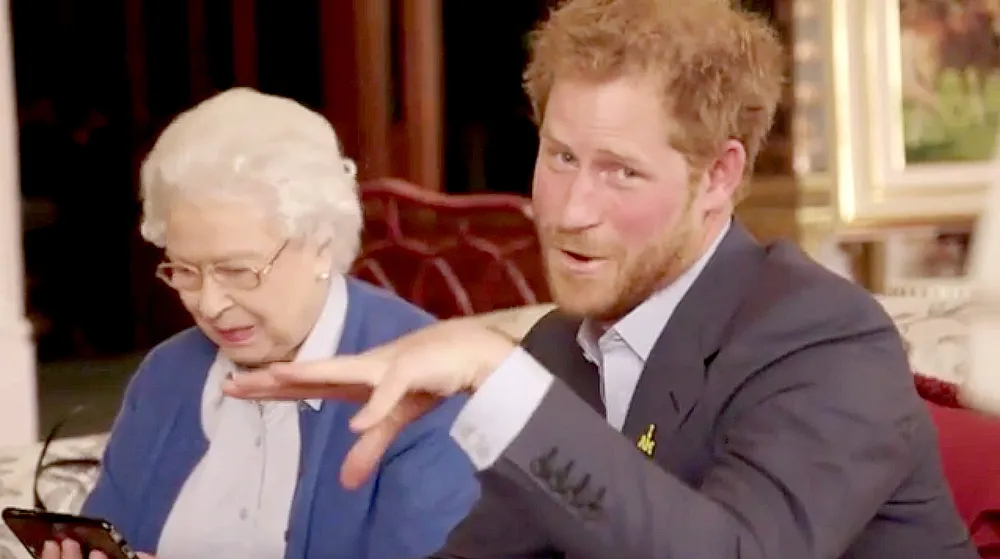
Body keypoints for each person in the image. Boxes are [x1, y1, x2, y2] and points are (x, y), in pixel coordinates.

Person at [223, 0, 979, 558]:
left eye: (621, 171)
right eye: (561, 157)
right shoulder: (563, 345)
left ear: (718, 176)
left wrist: (494, 370)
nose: (571, 211)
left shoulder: (822, 336)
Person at [41, 88, 479, 559]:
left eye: (236, 271)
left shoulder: (422, 382)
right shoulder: (166, 376)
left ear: (320, 244)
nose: (209, 304)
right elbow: (111, 531)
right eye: (185, 270)